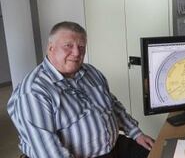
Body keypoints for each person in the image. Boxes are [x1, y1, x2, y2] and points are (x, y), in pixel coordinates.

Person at [8, 21, 154, 158]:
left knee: (160, 151)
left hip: (114, 147)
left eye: (81, 47)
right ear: (51, 48)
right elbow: (49, 152)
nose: (77, 53)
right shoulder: (34, 91)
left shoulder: (91, 72)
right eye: (68, 46)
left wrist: (136, 133)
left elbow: (113, 105)